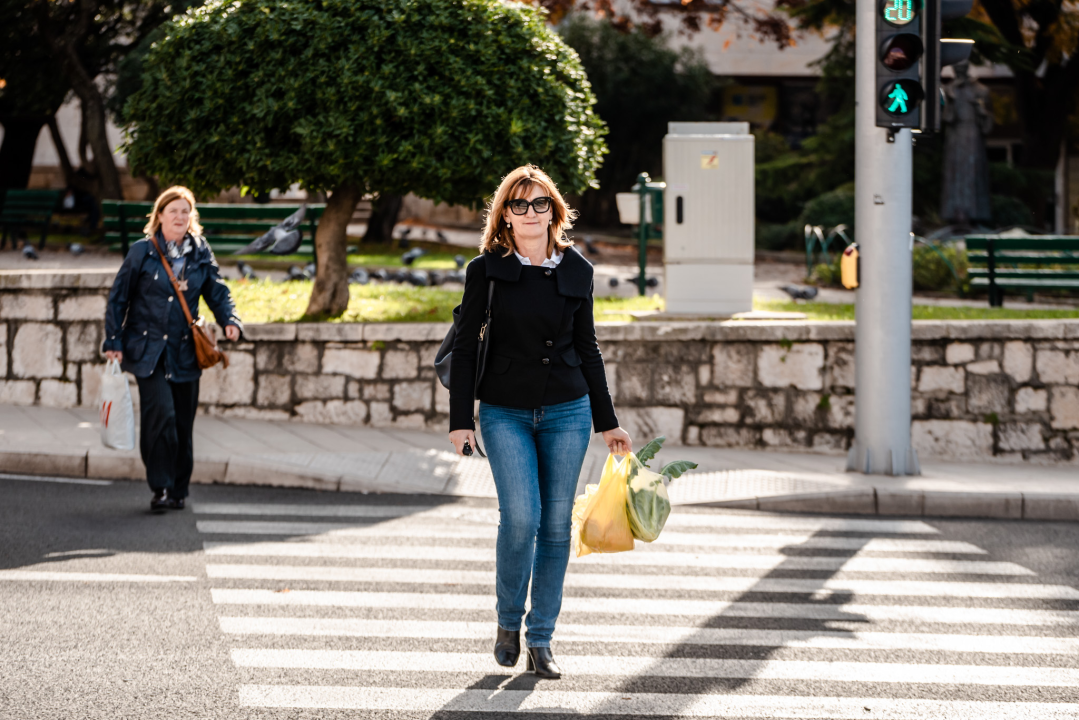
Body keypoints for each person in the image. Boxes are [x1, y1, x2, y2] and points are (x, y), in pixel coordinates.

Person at [448, 165, 632, 679]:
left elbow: (587, 347)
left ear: (555, 210)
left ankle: (542, 638)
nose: (530, 213)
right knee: (522, 517)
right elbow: (465, 349)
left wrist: (607, 421)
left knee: (554, 527)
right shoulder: (485, 270)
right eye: (519, 204)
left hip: (567, 411)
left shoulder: (578, 270)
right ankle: (509, 621)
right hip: (504, 410)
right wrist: (460, 419)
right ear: (505, 215)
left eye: (540, 203)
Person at [103, 186, 242, 512]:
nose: (180, 216)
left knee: (182, 423)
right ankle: (161, 487)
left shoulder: (199, 251)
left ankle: (179, 488)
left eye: (186, 211)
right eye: (173, 211)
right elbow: (118, 297)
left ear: (191, 217)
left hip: (185, 352)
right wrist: (114, 340)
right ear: (160, 215)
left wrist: (230, 319)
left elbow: (216, 290)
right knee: (160, 417)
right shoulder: (142, 251)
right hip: (148, 351)